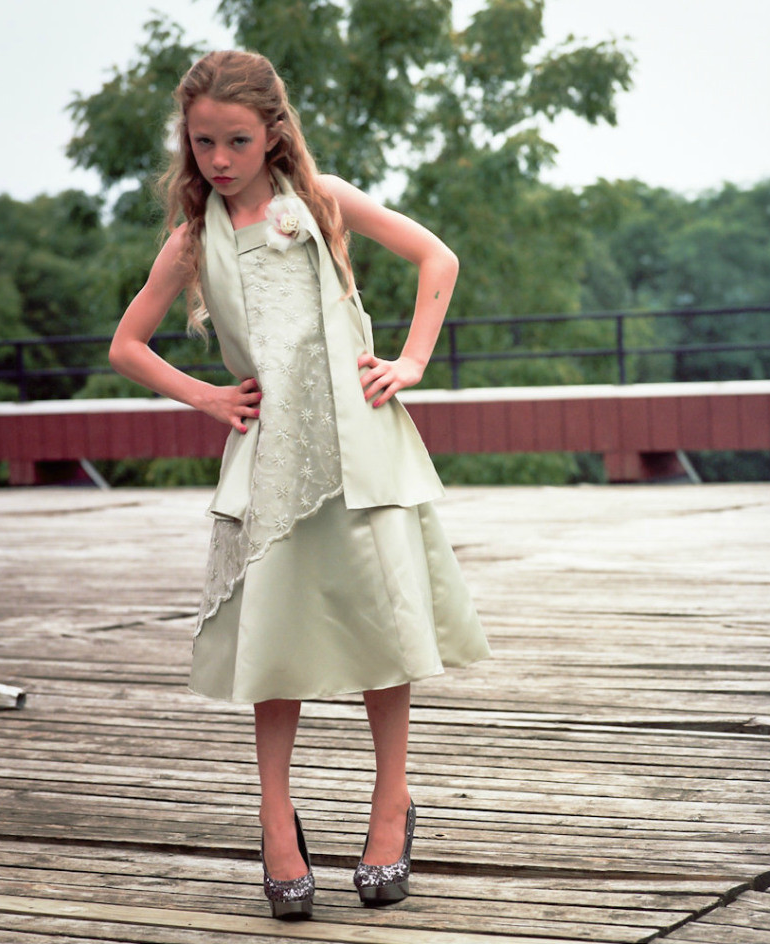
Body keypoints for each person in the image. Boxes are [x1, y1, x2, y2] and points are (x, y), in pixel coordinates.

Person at [109, 49, 490, 921]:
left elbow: (438, 260)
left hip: (361, 445)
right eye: (202, 142)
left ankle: (390, 804)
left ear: (272, 132)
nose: (218, 159)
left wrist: (412, 361)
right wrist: (206, 393)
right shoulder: (193, 236)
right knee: (273, 640)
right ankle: (275, 819)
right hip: (271, 450)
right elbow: (127, 344)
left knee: (383, 628)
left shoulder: (319, 203)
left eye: (236, 140)